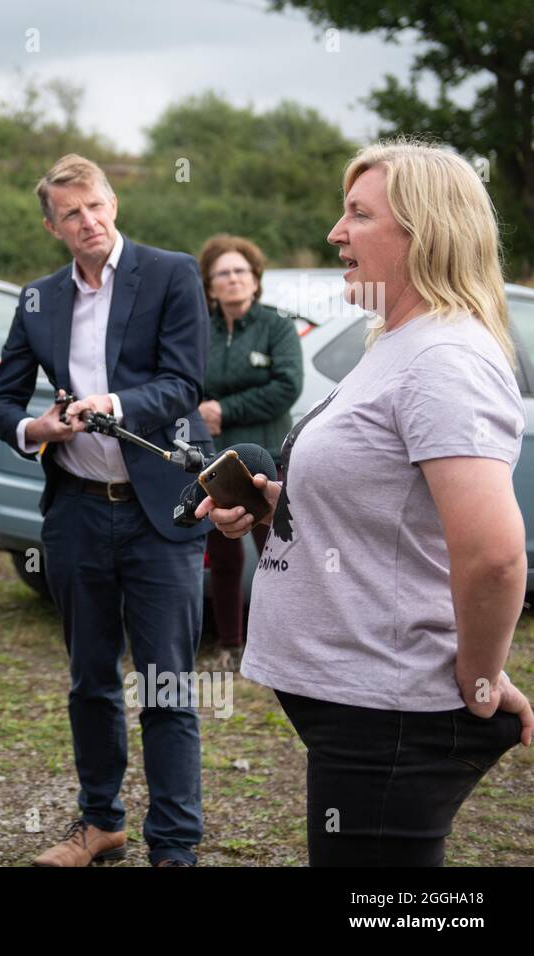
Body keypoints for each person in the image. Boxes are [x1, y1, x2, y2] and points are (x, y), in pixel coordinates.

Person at [197, 139, 534, 866]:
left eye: (357, 215)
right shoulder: (399, 343)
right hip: (363, 708)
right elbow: (386, 505)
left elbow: (496, 556)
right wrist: (273, 508)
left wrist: (480, 679)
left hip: (393, 715)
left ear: (424, 232)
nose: (335, 234)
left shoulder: (446, 360)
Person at [0, 154, 213, 867]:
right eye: (71, 213)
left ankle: (173, 846)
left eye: (96, 206)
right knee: (89, 680)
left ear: (114, 204)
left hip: (159, 515)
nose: (88, 221)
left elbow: (184, 382)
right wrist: (36, 429)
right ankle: (100, 823)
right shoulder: (39, 299)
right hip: (77, 513)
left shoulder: (171, 273)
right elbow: (0, 400)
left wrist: (113, 404)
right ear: (52, 224)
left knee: (166, 685)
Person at [196, 234, 302, 665]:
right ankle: (229, 644)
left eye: (241, 271)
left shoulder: (276, 325)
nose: (233, 279)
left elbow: (287, 386)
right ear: (210, 285)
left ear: (255, 280)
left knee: (277, 553)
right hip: (219, 462)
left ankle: (287, 644)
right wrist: (201, 411)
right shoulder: (200, 330)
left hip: (267, 459)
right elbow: (183, 383)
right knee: (223, 553)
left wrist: (225, 408)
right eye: (223, 273)